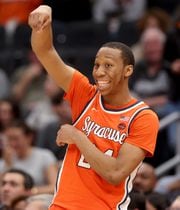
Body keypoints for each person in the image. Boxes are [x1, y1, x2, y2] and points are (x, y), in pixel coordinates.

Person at [28, 5, 159, 210]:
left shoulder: (143, 117)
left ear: (128, 70)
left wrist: (77, 136)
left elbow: (114, 174)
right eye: (97, 65)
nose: (99, 72)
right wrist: (44, 16)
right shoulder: (85, 94)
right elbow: (45, 51)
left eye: (108, 65)